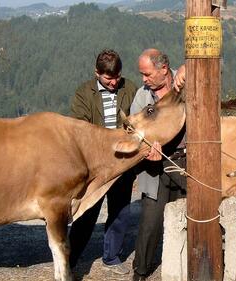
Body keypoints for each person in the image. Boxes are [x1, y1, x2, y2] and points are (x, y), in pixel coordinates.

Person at [69, 49, 137, 275]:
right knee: (87, 212)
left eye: (117, 77)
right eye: (108, 78)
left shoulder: (130, 89)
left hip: (122, 161)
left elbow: (138, 119)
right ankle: (70, 259)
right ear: (97, 73)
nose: (113, 82)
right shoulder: (83, 93)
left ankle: (112, 256)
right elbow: (80, 128)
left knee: (120, 211)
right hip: (95, 164)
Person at [130, 48, 187, 281]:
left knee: (188, 217)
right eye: (142, 74)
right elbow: (133, 132)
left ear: (164, 70)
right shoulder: (143, 96)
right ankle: (140, 271)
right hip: (155, 166)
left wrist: (189, 67)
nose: (143, 79)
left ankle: (186, 265)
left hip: (186, 161)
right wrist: (146, 149)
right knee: (151, 222)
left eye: (147, 74)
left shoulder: (185, 82)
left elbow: (218, 66)